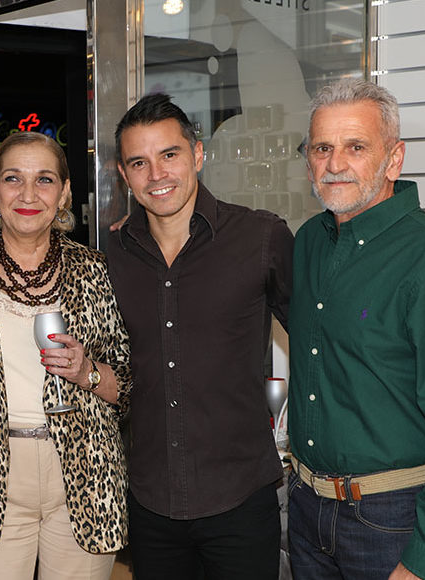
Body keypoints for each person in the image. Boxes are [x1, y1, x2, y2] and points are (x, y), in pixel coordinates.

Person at [286, 79, 425, 580]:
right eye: (322, 148)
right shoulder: (309, 242)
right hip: (306, 509)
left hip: (390, 521)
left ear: (394, 159)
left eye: (356, 147)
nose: (335, 164)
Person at [106, 93, 293, 579]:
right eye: (139, 163)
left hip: (240, 499)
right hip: (150, 504)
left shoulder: (260, 238)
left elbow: (320, 344)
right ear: (124, 175)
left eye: (169, 154)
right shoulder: (111, 254)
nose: (157, 174)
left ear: (198, 154)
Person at [0, 131, 132, 580]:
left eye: (45, 179)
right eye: (13, 178)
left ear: (65, 192)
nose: (29, 194)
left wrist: (87, 372)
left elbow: (130, 384)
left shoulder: (96, 269)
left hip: (86, 477)